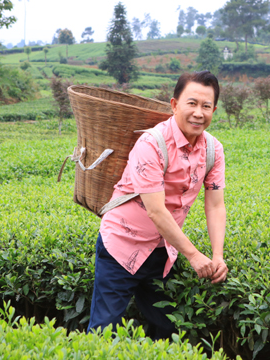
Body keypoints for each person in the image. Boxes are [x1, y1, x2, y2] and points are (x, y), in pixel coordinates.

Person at [88, 71, 227, 340]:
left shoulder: (213, 150)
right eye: (192, 103)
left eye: (206, 106)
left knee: (167, 331)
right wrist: (195, 255)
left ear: (214, 110)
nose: (199, 113)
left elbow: (215, 205)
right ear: (174, 105)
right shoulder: (152, 143)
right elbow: (156, 210)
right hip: (121, 246)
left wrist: (217, 255)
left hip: (163, 252)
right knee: (103, 331)